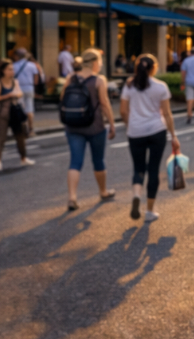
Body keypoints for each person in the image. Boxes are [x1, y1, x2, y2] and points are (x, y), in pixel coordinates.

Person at [121, 54, 180, 222]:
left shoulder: (129, 86)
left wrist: (129, 125)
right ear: (154, 68)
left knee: (138, 168)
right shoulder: (161, 86)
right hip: (156, 131)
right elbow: (167, 114)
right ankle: (149, 211)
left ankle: (137, 195)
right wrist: (173, 136)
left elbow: (123, 111)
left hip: (135, 132)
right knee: (153, 169)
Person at [63, 50, 117, 211]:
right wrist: (112, 124)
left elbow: (62, 99)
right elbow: (105, 104)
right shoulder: (99, 80)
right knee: (98, 160)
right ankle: (103, 191)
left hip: (73, 126)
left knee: (75, 161)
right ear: (95, 62)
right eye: (100, 62)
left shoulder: (70, 78)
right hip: (95, 126)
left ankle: (72, 197)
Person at [0, 60, 35, 172]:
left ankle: (23, 158)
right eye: (9, 69)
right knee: (1, 137)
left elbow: (19, 93)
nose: (12, 71)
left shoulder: (15, 81)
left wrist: (15, 94)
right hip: (2, 113)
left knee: (20, 136)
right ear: (3, 71)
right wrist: (9, 95)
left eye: (12, 69)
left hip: (15, 112)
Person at [11, 48, 44, 136]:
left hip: (18, 88)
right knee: (29, 109)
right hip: (29, 87)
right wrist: (34, 85)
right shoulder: (32, 65)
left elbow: (11, 77)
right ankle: (31, 129)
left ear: (17, 56)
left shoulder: (13, 65)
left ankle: (23, 128)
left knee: (20, 108)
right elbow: (36, 77)